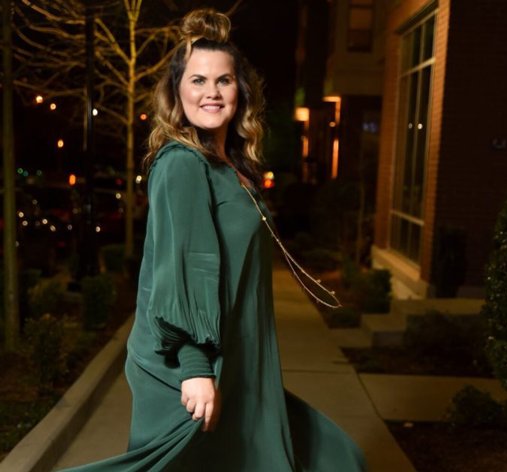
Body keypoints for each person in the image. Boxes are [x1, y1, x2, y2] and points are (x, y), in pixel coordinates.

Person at [60, 8, 366, 472]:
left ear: (240, 91)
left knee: (332, 457)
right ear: (177, 92)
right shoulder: (182, 165)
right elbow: (183, 270)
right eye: (198, 81)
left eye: (222, 80)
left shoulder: (232, 167)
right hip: (194, 366)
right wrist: (197, 369)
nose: (211, 92)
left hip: (242, 361)